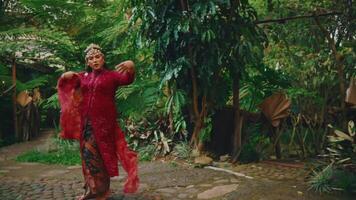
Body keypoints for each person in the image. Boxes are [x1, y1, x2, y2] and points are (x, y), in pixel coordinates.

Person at [57, 44, 139, 200]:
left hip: (104, 124)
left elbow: (128, 79)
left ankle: (103, 191)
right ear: (87, 62)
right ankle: (92, 190)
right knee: (87, 156)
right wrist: (64, 76)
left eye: (97, 57)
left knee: (100, 156)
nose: (95, 60)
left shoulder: (112, 76)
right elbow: (65, 85)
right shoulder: (82, 77)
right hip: (86, 123)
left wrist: (131, 67)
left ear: (103, 58)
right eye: (91, 58)